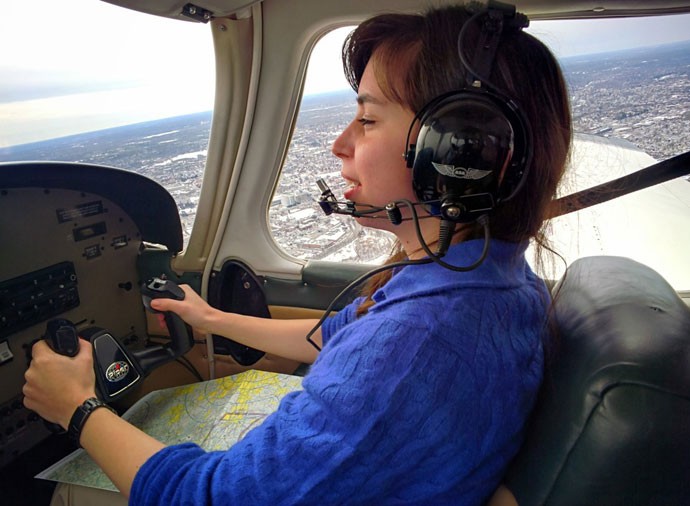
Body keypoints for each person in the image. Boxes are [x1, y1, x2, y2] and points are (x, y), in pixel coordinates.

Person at [24, 3, 571, 505]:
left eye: (369, 118)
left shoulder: (417, 342)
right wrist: (210, 317)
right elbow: (339, 333)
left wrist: (76, 409)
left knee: (73, 492)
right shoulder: (485, 280)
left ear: (462, 153)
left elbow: (210, 499)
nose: (341, 143)